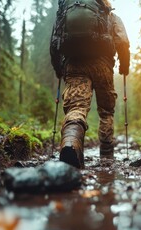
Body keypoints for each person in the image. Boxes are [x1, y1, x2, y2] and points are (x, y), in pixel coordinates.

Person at [50, 0, 130, 169]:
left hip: (74, 64)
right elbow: (122, 41)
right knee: (106, 111)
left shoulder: (66, 10)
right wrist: (124, 66)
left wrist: (59, 69)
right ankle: (107, 156)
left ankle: (71, 143)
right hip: (103, 66)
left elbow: (54, 42)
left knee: (76, 107)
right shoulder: (110, 15)